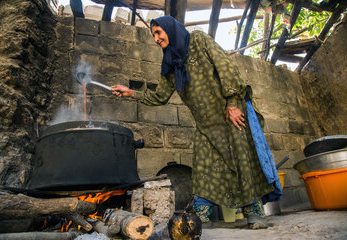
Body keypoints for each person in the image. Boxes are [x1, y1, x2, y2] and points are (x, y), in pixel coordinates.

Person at [111, 16, 282, 229]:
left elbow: (225, 66)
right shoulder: (170, 64)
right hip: (206, 126)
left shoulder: (198, 40)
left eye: (158, 32)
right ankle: (199, 218)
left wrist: (232, 103)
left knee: (242, 163)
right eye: (153, 35)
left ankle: (254, 215)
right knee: (203, 170)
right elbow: (160, 97)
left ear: (170, 30)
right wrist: (131, 93)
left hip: (230, 115)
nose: (156, 38)